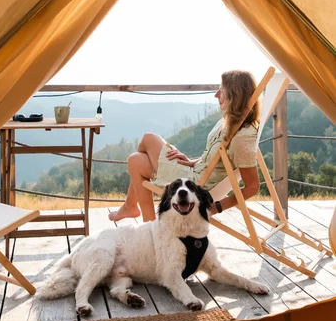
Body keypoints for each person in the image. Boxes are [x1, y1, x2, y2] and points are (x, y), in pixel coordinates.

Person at [109, 70, 261, 222]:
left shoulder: (243, 137)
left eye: (221, 91)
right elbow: (216, 159)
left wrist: (216, 207)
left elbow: (252, 186)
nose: (216, 95)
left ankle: (130, 207)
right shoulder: (232, 121)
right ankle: (149, 224)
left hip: (194, 186)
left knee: (148, 138)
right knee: (135, 161)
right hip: (196, 172)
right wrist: (192, 161)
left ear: (235, 95)